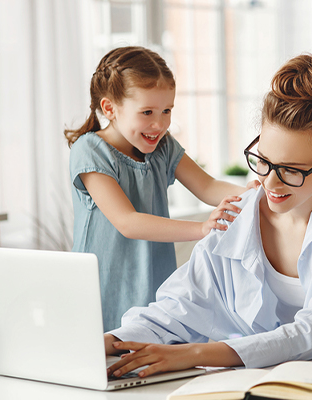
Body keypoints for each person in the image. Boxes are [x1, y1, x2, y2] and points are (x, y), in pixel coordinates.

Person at [103, 54, 312, 378]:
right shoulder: (237, 215)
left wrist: (195, 354)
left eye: (290, 170)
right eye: (263, 160)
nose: (268, 183)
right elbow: (180, 305)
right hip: (260, 381)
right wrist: (109, 342)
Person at [66, 46, 256, 332]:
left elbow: (208, 186)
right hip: (104, 288)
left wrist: (254, 193)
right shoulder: (90, 151)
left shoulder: (163, 147)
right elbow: (128, 222)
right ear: (110, 109)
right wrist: (201, 229)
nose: (160, 123)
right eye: (147, 112)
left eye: (167, 110)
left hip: (154, 286)